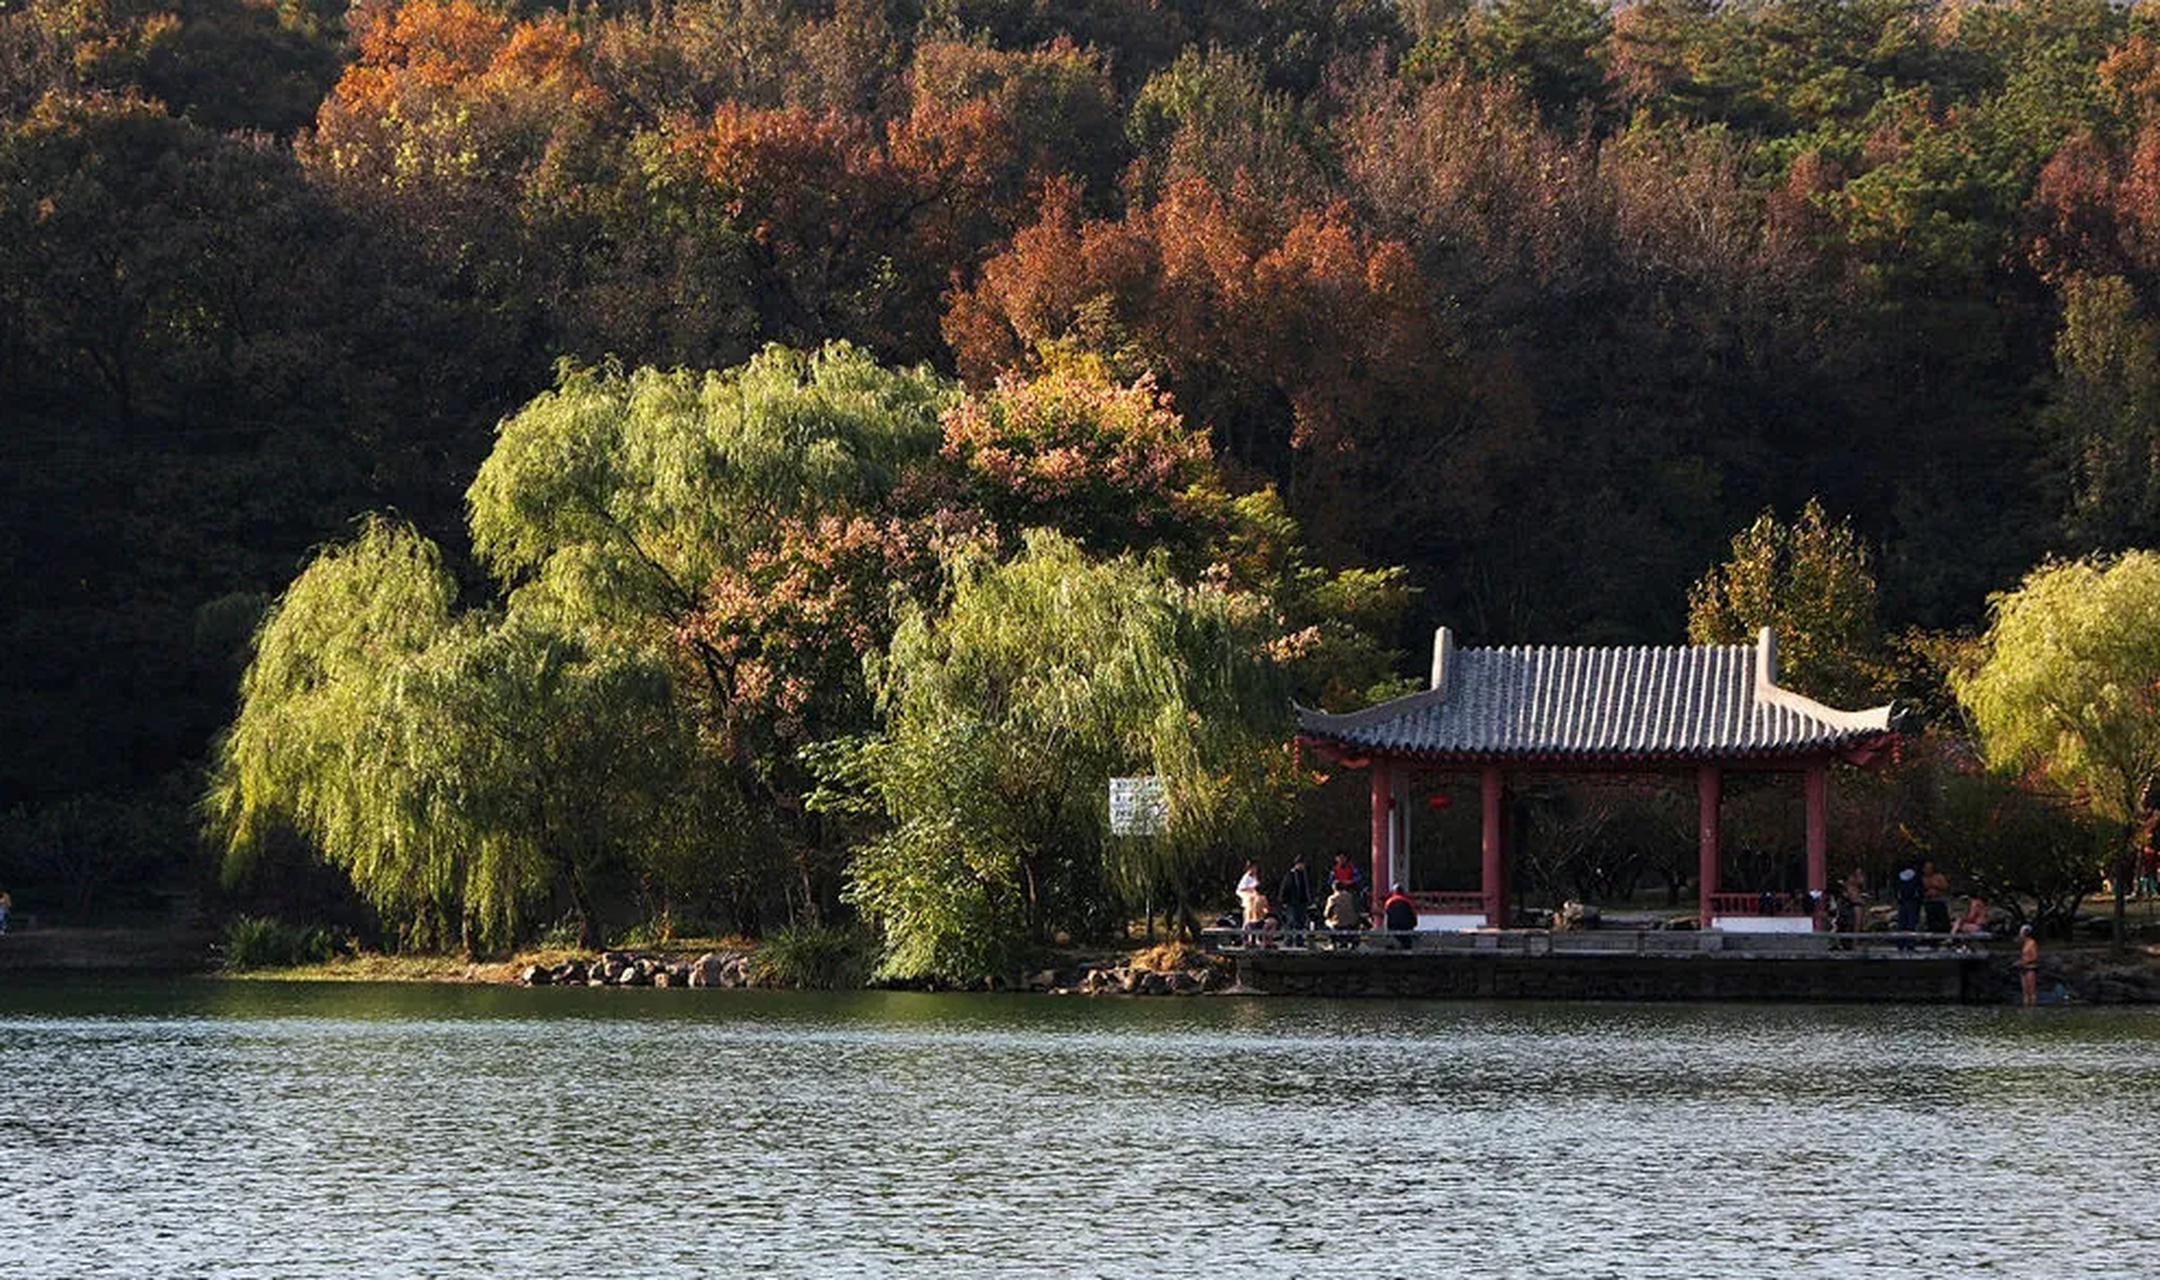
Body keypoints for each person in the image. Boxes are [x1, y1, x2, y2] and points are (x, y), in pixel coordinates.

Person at [1277, 855, 1313, 945]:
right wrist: (1283, 900)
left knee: (1301, 922)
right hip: (1292, 902)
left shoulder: (1304, 874)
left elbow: (1306, 888)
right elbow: (1285, 888)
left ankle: (1299, 940)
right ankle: (1288, 940)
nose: (1302, 866)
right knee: (1291, 921)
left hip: (1302, 902)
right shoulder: (1291, 874)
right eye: (1301, 864)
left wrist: (1309, 900)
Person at [1892, 862, 1923, 950]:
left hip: (1903, 902)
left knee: (1902, 924)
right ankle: (1910, 944)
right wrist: (1919, 900)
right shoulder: (1915, 876)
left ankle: (1900, 944)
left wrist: (1898, 900)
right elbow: (1920, 889)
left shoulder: (1899, 876)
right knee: (1911, 924)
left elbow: (1896, 889)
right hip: (1912, 902)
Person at [1323, 879, 1362, 943]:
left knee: (1326, 922)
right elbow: (1357, 909)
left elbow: (1326, 914)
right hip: (1351, 924)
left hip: (1338, 924)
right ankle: (1353, 941)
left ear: (1334, 888)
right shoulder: (1351, 896)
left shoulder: (1332, 898)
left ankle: (1332, 942)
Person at [1381, 884, 1417, 950]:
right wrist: (1414, 925)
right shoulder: (1408, 901)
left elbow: (1386, 916)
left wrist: (1386, 929)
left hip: (1393, 927)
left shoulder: (1389, 902)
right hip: (1406, 927)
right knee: (1407, 942)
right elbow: (1413, 915)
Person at [1921, 860, 1951, 936]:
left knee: (1943, 921)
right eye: (1926, 868)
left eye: (1930, 868)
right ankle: (1932, 939)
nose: (1928, 870)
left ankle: (1945, 936)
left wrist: (1937, 885)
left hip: (1939, 901)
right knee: (1931, 922)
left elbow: (1946, 886)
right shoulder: (1923, 878)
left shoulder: (1938, 876)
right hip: (1929, 902)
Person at [1840, 867, 1868, 934]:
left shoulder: (1856, 888)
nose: (1862, 878)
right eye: (1859, 875)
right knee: (1857, 920)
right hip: (1854, 907)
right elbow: (1854, 899)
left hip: (1855, 905)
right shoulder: (1850, 887)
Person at [2017, 924, 2040, 1007]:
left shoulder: (2032, 943)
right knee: (2025, 992)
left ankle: (2032, 1008)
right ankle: (2026, 1008)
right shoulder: (2025, 943)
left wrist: (2024, 962)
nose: (2020, 934)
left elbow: (2034, 957)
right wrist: (2020, 962)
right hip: (2023, 968)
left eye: (2021, 932)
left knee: (2031, 992)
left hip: (2030, 968)